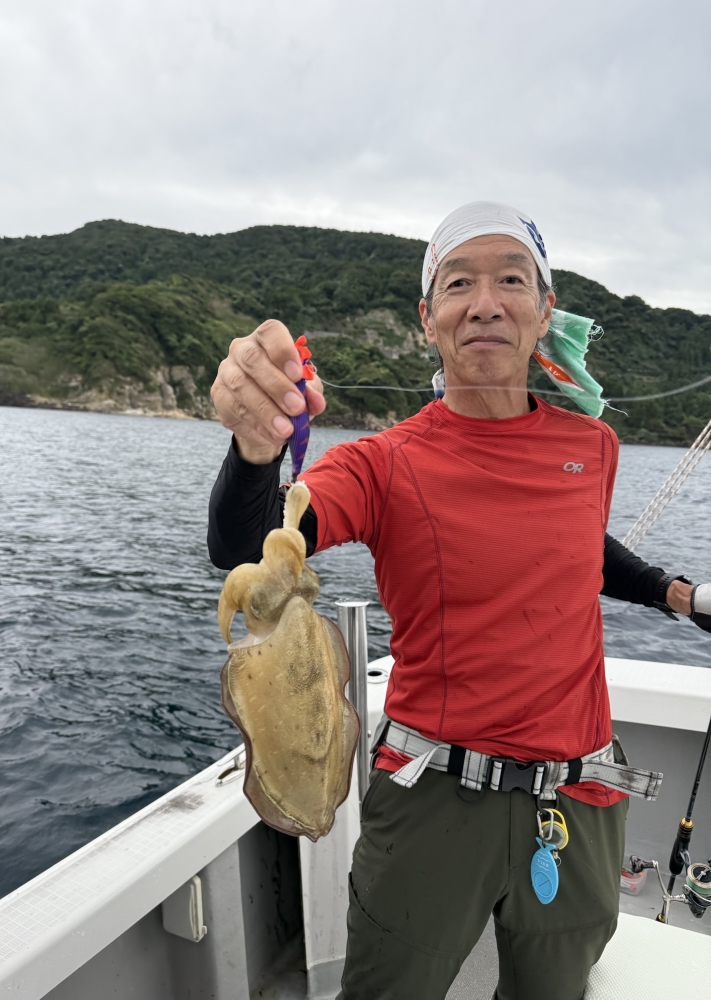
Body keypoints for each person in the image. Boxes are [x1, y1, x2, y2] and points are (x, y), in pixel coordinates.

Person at [207, 202, 710, 1000]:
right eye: (458, 283)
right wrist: (255, 450)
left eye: (511, 280)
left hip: (579, 797)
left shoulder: (593, 446)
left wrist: (676, 593)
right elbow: (251, 548)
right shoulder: (381, 463)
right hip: (431, 794)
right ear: (428, 319)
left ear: (543, 309)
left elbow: (578, 546)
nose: (485, 303)